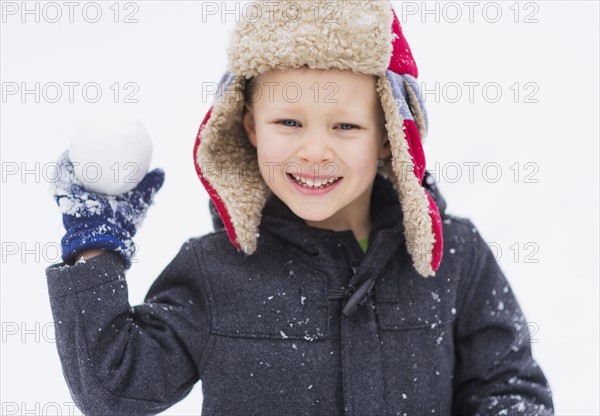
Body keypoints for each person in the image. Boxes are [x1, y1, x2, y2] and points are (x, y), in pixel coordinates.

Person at [46, 1, 554, 415]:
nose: (314, 150)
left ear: (388, 138)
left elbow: (507, 386)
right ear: (249, 127)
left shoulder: (453, 258)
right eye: (289, 122)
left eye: (345, 126)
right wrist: (96, 249)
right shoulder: (216, 272)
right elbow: (114, 387)